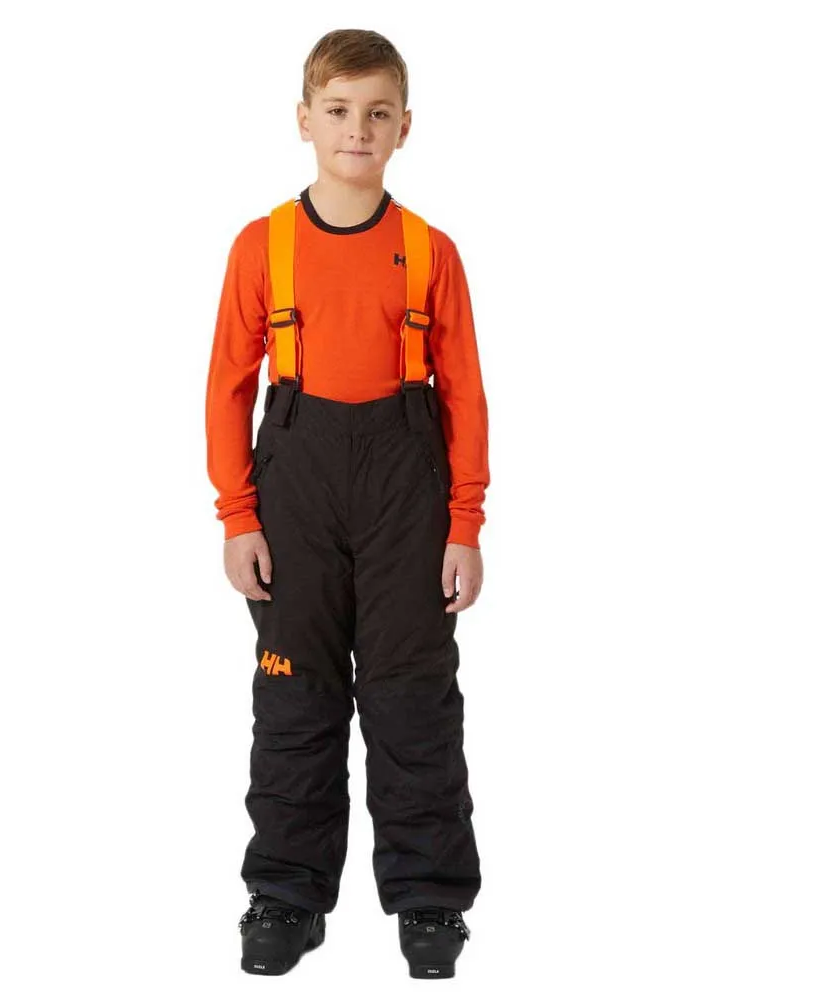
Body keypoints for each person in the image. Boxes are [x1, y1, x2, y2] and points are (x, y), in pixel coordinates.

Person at [205, 28, 489, 979]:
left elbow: (465, 395)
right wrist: (238, 517)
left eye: (377, 113)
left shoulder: (431, 251)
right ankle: (285, 894)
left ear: (405, 127)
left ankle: (430, 902)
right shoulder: (263, 246)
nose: (356, 129)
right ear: (304, 120)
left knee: (414, 699)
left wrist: (465, 525)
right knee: (294, 695)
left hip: (408, 487)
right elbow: (227, 389)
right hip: (296, 485)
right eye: (337, 110)